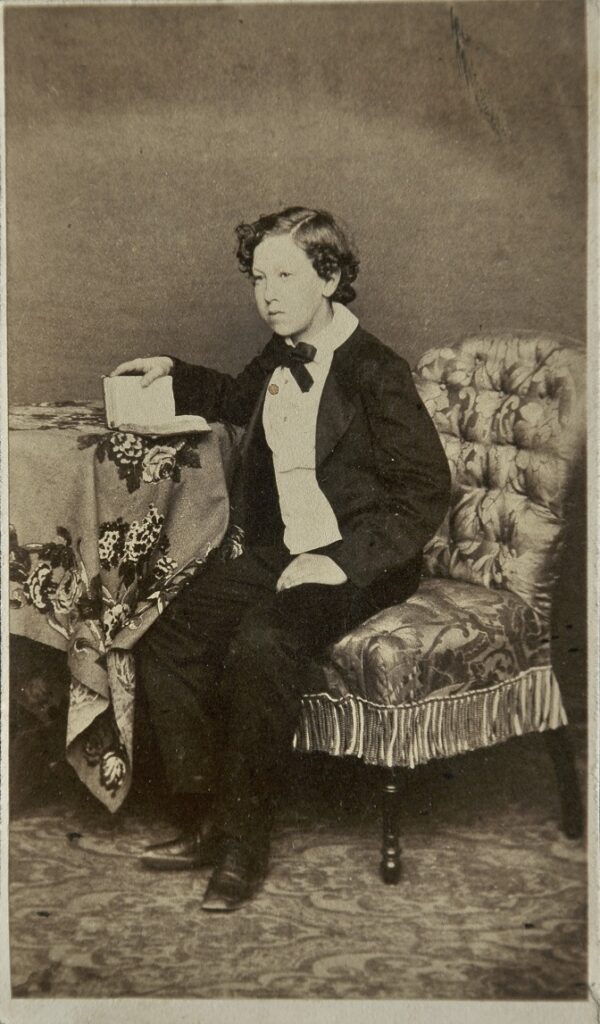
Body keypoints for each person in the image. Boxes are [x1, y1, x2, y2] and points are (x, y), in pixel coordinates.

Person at [111, 206, 451, 911]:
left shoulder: (376, 371)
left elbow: (424, 491)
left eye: (285, 277)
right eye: (259, 278)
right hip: (287, 549)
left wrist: (340, 562)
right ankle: (205, 816)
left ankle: (245, 843)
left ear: (328, 277)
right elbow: (235, 399)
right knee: (168, 631)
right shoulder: (281, 349)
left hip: (360, 561)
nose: (267, 295)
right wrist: (171, 372)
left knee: (264, 640)